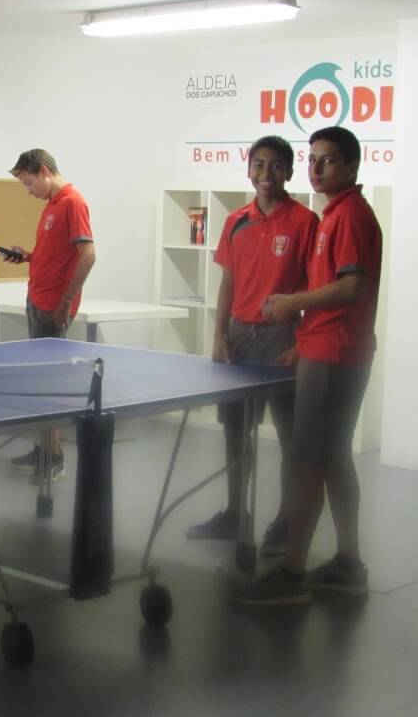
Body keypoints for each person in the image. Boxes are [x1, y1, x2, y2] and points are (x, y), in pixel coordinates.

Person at [236, 126, 383, 605]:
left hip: (334, 353)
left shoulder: (350, 216)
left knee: (306, 462)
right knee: (334, 457)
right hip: (328, 348)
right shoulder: (336, 214)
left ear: (352, 166)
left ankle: (292, 574)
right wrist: (304, 338)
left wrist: (291, 303)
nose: (317, 168)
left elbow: (352, 287)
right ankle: (348, 564)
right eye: (313, 159)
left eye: (329, 160)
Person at [186, 136, 318, 558]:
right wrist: (219, 333)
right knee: (235, 430)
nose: (266, 174)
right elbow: (228, 281)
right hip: (240, 338)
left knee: (290, 436)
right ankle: (234, 512)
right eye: (259, 164)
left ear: (289, 171)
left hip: (282, 337)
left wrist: (302, 342)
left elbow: (317, 288)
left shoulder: (305, 221)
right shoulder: (236, 221)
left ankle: (287, 521)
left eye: (276, 165)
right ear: (248, 170)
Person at [3, 149, 95, 482]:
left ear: (44, 171)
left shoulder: (72, 202)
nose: (28, 191)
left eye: (29, 183)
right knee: (38, 382)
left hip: (53, 307)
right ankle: (44, 449)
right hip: (37, 301)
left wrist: (66, 301)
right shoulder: (52, 206)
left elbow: (88, 255)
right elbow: (56, 254)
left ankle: (54, 458)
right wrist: (29, 256)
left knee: (48, 385)